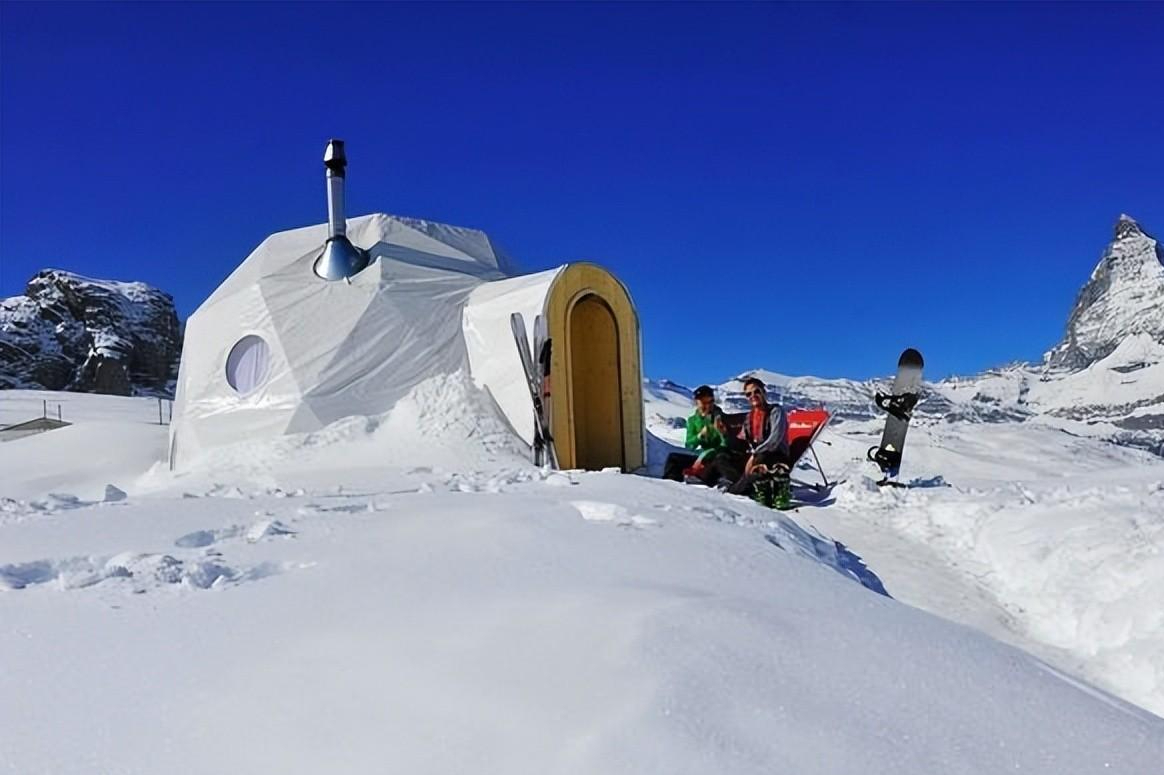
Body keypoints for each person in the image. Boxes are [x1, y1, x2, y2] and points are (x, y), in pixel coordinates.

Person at [708, 377, 792, 506]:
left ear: (764, 392)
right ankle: (746, 485)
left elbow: (774, 440)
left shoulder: (776, 411)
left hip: (774, 456)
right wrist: (725, 434)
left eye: (756, 391)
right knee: (721, 457)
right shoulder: (749, 417)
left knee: (761, 458)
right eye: (749, 394)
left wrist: (754, 455)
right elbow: (742, 441)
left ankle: (737, 489)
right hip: (754, 457)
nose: (753, 396)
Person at [662, 385, 727, 483]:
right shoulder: (693, 420)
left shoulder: (722, 418)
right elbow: (689, 445)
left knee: (719, 460)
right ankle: (672, 487)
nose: (707, 406)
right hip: (702, 457)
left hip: (717, 457)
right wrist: (699, 436)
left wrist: (722, 433)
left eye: (710, 402)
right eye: (703, 402)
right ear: (697, 402)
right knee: (673, 459)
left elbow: (726, 444)